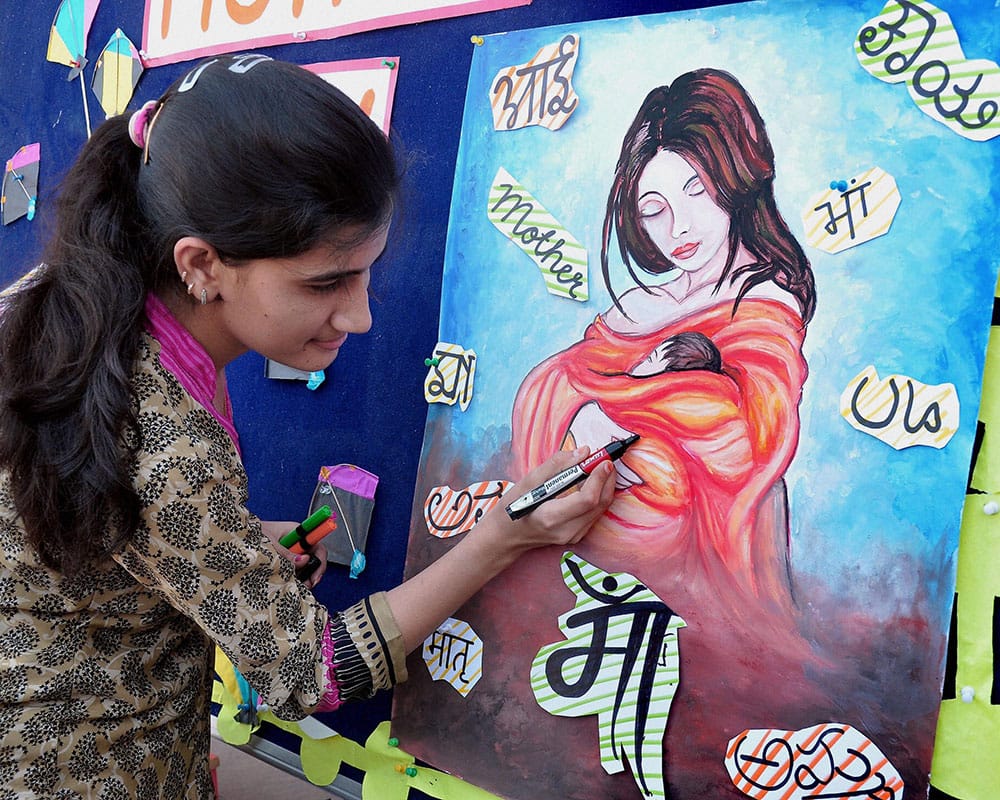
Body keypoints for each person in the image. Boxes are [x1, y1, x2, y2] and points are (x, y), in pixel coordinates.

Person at [0, 55, 616, 798]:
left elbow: (84, 516)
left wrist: (227, 539)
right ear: (201, 264)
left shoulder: (61, 306)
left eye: (367, 273)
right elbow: (308, 671)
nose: (359, 316)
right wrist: (504, 534)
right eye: (325, 282)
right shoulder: (162, 435)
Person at [511, 68, 816, 622]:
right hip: (591, 565)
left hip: (702, 570)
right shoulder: (638, 306)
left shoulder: (764, 304)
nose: (679, 226)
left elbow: (751, 437)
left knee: (663, 473)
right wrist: (586, 415)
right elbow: (547, 386)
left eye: (697, 190)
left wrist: (616, 415)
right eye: (654, 208)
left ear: (736, 177)